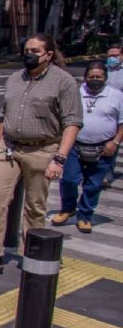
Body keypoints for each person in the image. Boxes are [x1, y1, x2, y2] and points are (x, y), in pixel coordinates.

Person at [0, 34, 82, 275]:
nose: (28, 54)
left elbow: (72, 122)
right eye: (26, 49)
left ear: (48, 55)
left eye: (35, 51)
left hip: (43, 148)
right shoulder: (14, 79)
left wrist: (60, 158)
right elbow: (3, 114)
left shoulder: (64, 82)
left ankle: (32, 252)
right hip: (9, 147)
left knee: (34, 206)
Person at [51, 61, 123, 233]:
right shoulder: (75, 93)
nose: (95, 80)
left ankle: (85, 216)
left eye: (99, 77)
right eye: (91, 77)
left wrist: (115, 142)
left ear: (105, 78)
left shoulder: (117, 95)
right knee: (69, 179)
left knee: (93, 184)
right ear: (85, 78)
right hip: (75, 146)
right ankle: (68, 208)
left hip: (103, 148)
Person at [105, 43, 122, 189]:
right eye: (110, 55)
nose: (112, 58)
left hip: (119, 112)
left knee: (114, 142)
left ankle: (107, 175)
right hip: (103, 110)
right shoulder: (102, 70)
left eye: (115, 56)